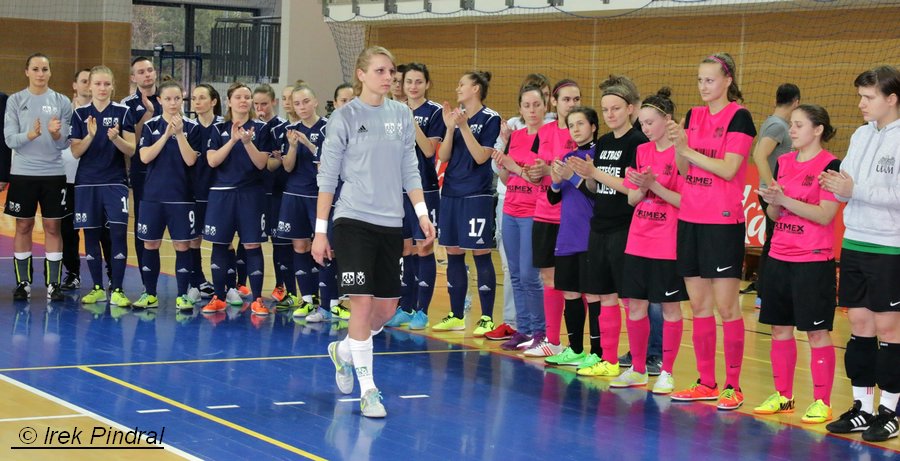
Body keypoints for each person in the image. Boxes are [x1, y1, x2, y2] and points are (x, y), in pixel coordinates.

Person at [316, 46, 435, 418]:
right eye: (382, 71)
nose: (390, 77)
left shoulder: (401, 114)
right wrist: (321, 231)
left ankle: (346, 350)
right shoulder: (344, 116)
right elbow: (328, 176)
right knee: (362, 302)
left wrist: (422, 214)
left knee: (384, 311)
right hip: (352, 220)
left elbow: (409, 168)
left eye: (392, 71)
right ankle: (369, 390)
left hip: (390, 222)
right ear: (362, 74)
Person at [665, 53, 757, 410]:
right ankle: (706, 381)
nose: (703, 86)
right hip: (690, 217)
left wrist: (687, 147)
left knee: (726, 307)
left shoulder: (740, 117)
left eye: (710, 80)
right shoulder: (694, 115)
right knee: (699, 306)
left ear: (727, 80)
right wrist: (678, 146)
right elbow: (686, 171)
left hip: (722, 222)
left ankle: (733, 386)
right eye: (700, 80)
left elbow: (730, 168)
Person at [820, 65, 900, 442]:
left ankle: (890, 410)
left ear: (891, 99)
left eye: (868, 98)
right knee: (860, 328)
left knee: (889, 330)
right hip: (854, 242)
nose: (861, 104)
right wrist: (835, 185)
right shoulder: (859, 135)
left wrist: (856, 189)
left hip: (890, 246)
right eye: (860, 96)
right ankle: (862, 408)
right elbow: (846, 191)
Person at [751, 104, 840, 424]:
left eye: (799, 125)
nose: (791, 130)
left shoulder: (830, 165)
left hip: (812, 261)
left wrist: (786, 199)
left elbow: (826, 215)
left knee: (816, 333)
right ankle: (783, 396)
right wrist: (772, 201)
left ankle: (822, 401)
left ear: (818, 130)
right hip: (778, 256)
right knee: (779, 329)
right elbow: (775, 215)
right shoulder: (785, 162)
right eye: (791, 125)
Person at [568, 75, 648, 377]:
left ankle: (638, 364)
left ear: (629, 109)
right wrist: (584, 175)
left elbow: (632, 189)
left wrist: (595, 173)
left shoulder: (637, 142)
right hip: (599, 225)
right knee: (604, 296)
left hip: (624, 227)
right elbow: (595, 186)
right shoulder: (602, 142)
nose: (610, 114)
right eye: (605, 110)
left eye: (615, 108)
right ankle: (609, 360)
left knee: (629, 299)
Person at [609, 88, 687, 394]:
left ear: (666, 120)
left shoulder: (681, 154)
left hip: (667, 241)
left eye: (650, 122)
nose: (645, 129)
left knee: (669, 308)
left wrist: (654, 185)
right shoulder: (642, 151)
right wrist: (642, 187)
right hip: (638, 239)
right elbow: (631, 199)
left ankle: (667, 371)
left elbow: (684, 200)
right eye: (641, 123)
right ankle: (638, 369)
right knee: (635, 306)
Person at [485, 73, 554, 344]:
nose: (532, 110)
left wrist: (514, 167)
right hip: (510, 208)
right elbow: (507, 178)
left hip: (534, 211)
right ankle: (523, 329)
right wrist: (504, 166)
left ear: (545, 106)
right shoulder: (516, 136)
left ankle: (540, 330)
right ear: (520, 108)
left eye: (537, 105)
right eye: (527, 105)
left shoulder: (550, 135)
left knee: (529, 273)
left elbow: (538, 176)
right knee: (513, 272)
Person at [431, 71, 501, 334]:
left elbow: (482, 156)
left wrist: (463, 127)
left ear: (476, 89)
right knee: (453, 253)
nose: (457, 88)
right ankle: (456, 314)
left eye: (462, 84)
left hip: (476, 195)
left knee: (481, 254)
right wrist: (450, 128)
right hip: (451, 193)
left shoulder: (490, 118)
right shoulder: (456, 118)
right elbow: (445, 155)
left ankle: (486, 318)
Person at [3, 53, 73, 301]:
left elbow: (65, 143)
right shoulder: (15, 101)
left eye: (45, 69)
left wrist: (55, 135)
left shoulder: (62, 101)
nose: (40, 73)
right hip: (23, 174)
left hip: (53, 174)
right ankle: (24, 283)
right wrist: (30, 135)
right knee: (23, 225)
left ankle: (53, 284)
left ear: (50, 72)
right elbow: (10, 139)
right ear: (27, 72)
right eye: (36, 69)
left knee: (54, 227)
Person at [383, 62, 446, 330]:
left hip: (424, 189)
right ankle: (405, 307)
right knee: (405, 248)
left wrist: (409, 119)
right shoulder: (390, 111)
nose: (413, 86)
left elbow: (430, 150)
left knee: (424, 247)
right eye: (409, 82)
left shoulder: (435, 112)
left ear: (427, 84)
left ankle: (422, 311)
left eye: (418, 82)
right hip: (396, 189)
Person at [200, 83, 272, 317]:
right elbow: (212, 161)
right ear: (229, 101)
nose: (244, 100)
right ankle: (219, 297)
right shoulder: (218, 128)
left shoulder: (261, 129)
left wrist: (247, 142)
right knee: (220, 243)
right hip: (221, 194)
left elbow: (262, 163)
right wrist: (232, 141)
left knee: (252, 245)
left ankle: (257, 299)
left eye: (247, 97)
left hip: (250, 195)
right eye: (238, 97)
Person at [523, 78, 582, 356]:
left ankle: (576, 344)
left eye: (576, 99)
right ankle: (553, 341)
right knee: (548, 277)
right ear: (554, 103)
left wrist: (548, 170)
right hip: (544, 211)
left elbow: (580, 170)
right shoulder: (544, 131)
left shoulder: (582, 132)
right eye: (567, 99)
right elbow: (538, 169)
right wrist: (536, 172)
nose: (572, 104)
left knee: (574, 281)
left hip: (572, 215)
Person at [68, 65, 136, 307]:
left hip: (115, 182)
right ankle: (97, 287)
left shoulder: (123, 111)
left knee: (118, 233)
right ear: (89, 86)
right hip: (87, 183)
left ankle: (117, 289)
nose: (102, 88)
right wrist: (90, 135)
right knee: (91, 234)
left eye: (107, 84)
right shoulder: (79, 114)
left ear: (113, 86)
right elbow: (75, 152)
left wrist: (116, 138)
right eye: (97, 83)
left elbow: (132, 149)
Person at [135, 80, 202, 309]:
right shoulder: (151, 126)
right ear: (160, 100)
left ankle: (183, 295)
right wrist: (165, 135)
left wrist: (180, 134)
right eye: (168, 99)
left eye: (177, 99)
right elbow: (144, 157)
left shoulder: (192, 127)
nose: (173, 103)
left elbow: (191, 159)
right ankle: (150, 294)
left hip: (181, 197)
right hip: (153, 196)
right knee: (150, 244)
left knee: (182, 245)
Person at [543, 106, 598, 367]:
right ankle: (575, 349)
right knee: (571, 294)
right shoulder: (566, 157)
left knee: (595, 295)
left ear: (593, 127)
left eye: (580, 124)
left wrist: (573, 177)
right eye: (571, 125)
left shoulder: (597, 157)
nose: (575, 129)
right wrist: (555, 180)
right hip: (567, 235)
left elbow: (598, 195)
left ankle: (597, 353)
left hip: (590, 236)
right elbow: (554, 197)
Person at [277, 85, 329, 318]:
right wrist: (293, 146)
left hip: (319, 195)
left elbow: (330, 160)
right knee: (300, 247)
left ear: (315, 101)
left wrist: (308, 143)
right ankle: (307, 299)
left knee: (325, 248)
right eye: (297, 104)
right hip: (294, 194)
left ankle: (329, 300)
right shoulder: (290, 130)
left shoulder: (329, 128)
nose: (302, 107)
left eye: (305, 102)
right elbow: (287, 167)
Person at [744, 83, 800, 296]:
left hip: (773, 193)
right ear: (796, 102)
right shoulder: (777, 125)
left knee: (774, 239)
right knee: (774, 241)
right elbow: (759, 155)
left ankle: (765, 289)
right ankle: (764, 290)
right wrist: (772, 186)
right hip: (772, 194)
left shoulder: (776, 123)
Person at [121, 57, 161, 276]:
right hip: (142, 172)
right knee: (143, 223)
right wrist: (148, 114)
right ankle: (146, 275)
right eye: (141, 71)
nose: (147, 74)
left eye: (150, 70)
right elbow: (132, 144)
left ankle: (190, 280)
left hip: (170, 173)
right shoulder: (126, 105)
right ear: (133, 77)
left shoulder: (168, 98)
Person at [189, 84, 224, 299]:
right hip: (194, 188)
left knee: (223, 238)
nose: (197, 102)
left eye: (202, 97)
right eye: (194, 98)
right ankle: (197, 281)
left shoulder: (223, 126)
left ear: (213, 102)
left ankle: (227, 286)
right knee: (194, 238)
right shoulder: (188, 127)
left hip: (219, 189)